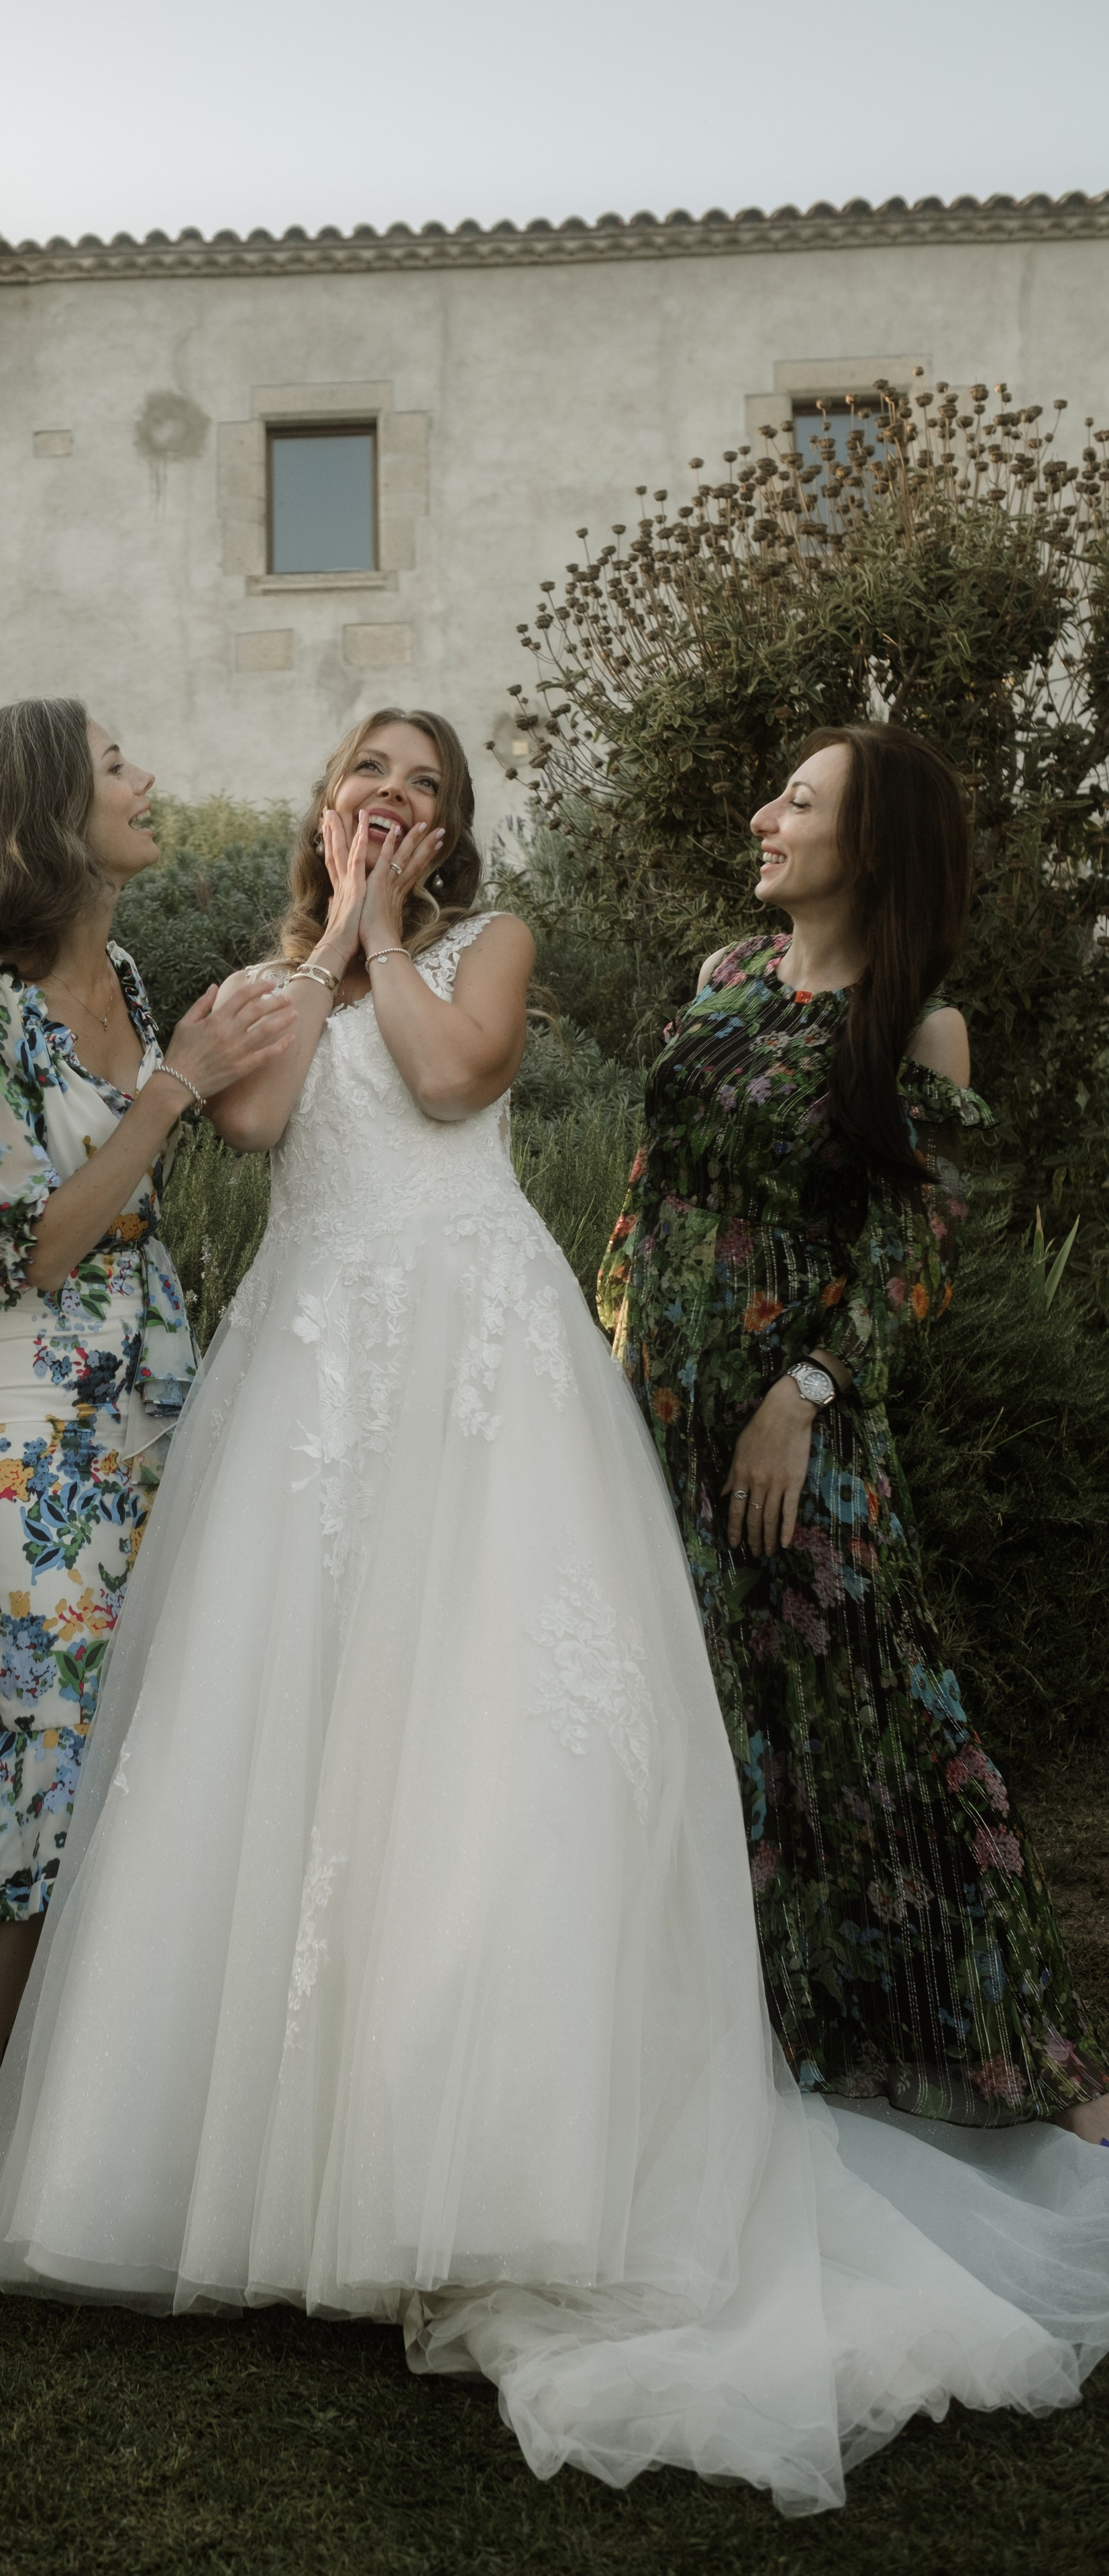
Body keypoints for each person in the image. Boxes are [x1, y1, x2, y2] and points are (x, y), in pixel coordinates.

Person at [0, 706, 1109, 2514]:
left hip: (478, 1366)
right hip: (315, 1375)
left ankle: (493, 2162)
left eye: (421, 783)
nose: (390, 797)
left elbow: (451, 1084)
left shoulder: (493, 943)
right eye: (365, 774)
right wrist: (323, 948)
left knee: (486, 1751)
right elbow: (252, 1121)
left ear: (453, 824)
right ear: (327, 804)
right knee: (298, 1750)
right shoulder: (272, 978)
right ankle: (279, 2177)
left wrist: (384, 936)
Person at [600, 723, 1109, 2141]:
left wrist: (804, 1395)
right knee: (707, 1725)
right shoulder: (725, 976)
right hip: (657, 1411)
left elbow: (910, 1260)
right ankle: (763, 2044)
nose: (763, 820)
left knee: (874, 1722)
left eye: (797, 802)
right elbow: (649, 1190)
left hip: (796, 1434)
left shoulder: (915, 1025)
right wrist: (606, 1349)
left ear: (869, 845)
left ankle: (1037, 2072)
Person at [0, 698, 296, 2231]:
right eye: (117, 767)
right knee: (50, 1731)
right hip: (28, 1396)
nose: (148, 782)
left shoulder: (126, 979)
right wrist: (174, 1085)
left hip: (152, 1365)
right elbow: (39, 1241)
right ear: (45, 815)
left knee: (155, 1713)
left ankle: (107, 2118)